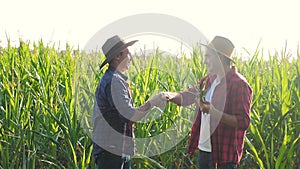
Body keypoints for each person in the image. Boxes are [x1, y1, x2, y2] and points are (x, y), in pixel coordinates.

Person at [161, 36, 253, 169]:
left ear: (220, 57)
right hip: (205, 150)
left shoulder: (239, 84)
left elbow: (243, 122)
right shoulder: (208, 80)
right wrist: (168, 96)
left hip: (224, 156)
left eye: (208, 56)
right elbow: (187, 96)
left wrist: (213, 112)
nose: (205, 61)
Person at [92, 35, 165, 169]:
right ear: (118, 57)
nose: (131, 58)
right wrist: (152, 103)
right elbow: (130, 116)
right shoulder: (114, 82)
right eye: (128, 53)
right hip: (111, 151)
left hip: (117, 149)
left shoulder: (114, 79)